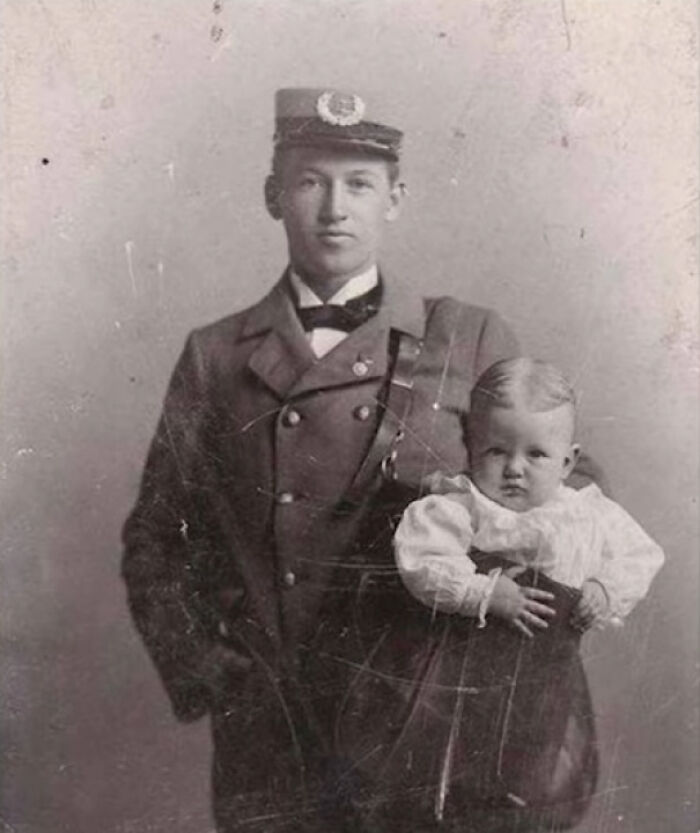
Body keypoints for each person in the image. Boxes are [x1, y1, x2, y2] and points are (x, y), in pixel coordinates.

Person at [120, 88, 520, 832]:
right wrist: (212, 671)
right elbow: (154, 536)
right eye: (310, 181)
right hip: (273, 734)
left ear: (395, 198)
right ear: (274, 196)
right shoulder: (214, 356)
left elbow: (566, 489)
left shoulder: (467, 338)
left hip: (426, 724)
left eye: (359, 184)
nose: (335, 207)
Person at [394, 357, 665, 637]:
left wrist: (604, 588)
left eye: (535, 454)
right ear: (471, 448)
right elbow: (423, 561)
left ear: (567, 463)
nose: (513, 469)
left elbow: (640, 554)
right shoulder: (461, 505)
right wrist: (483, 592)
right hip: (469, 648)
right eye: (496, 451)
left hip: (553, 659)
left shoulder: (586, 510)